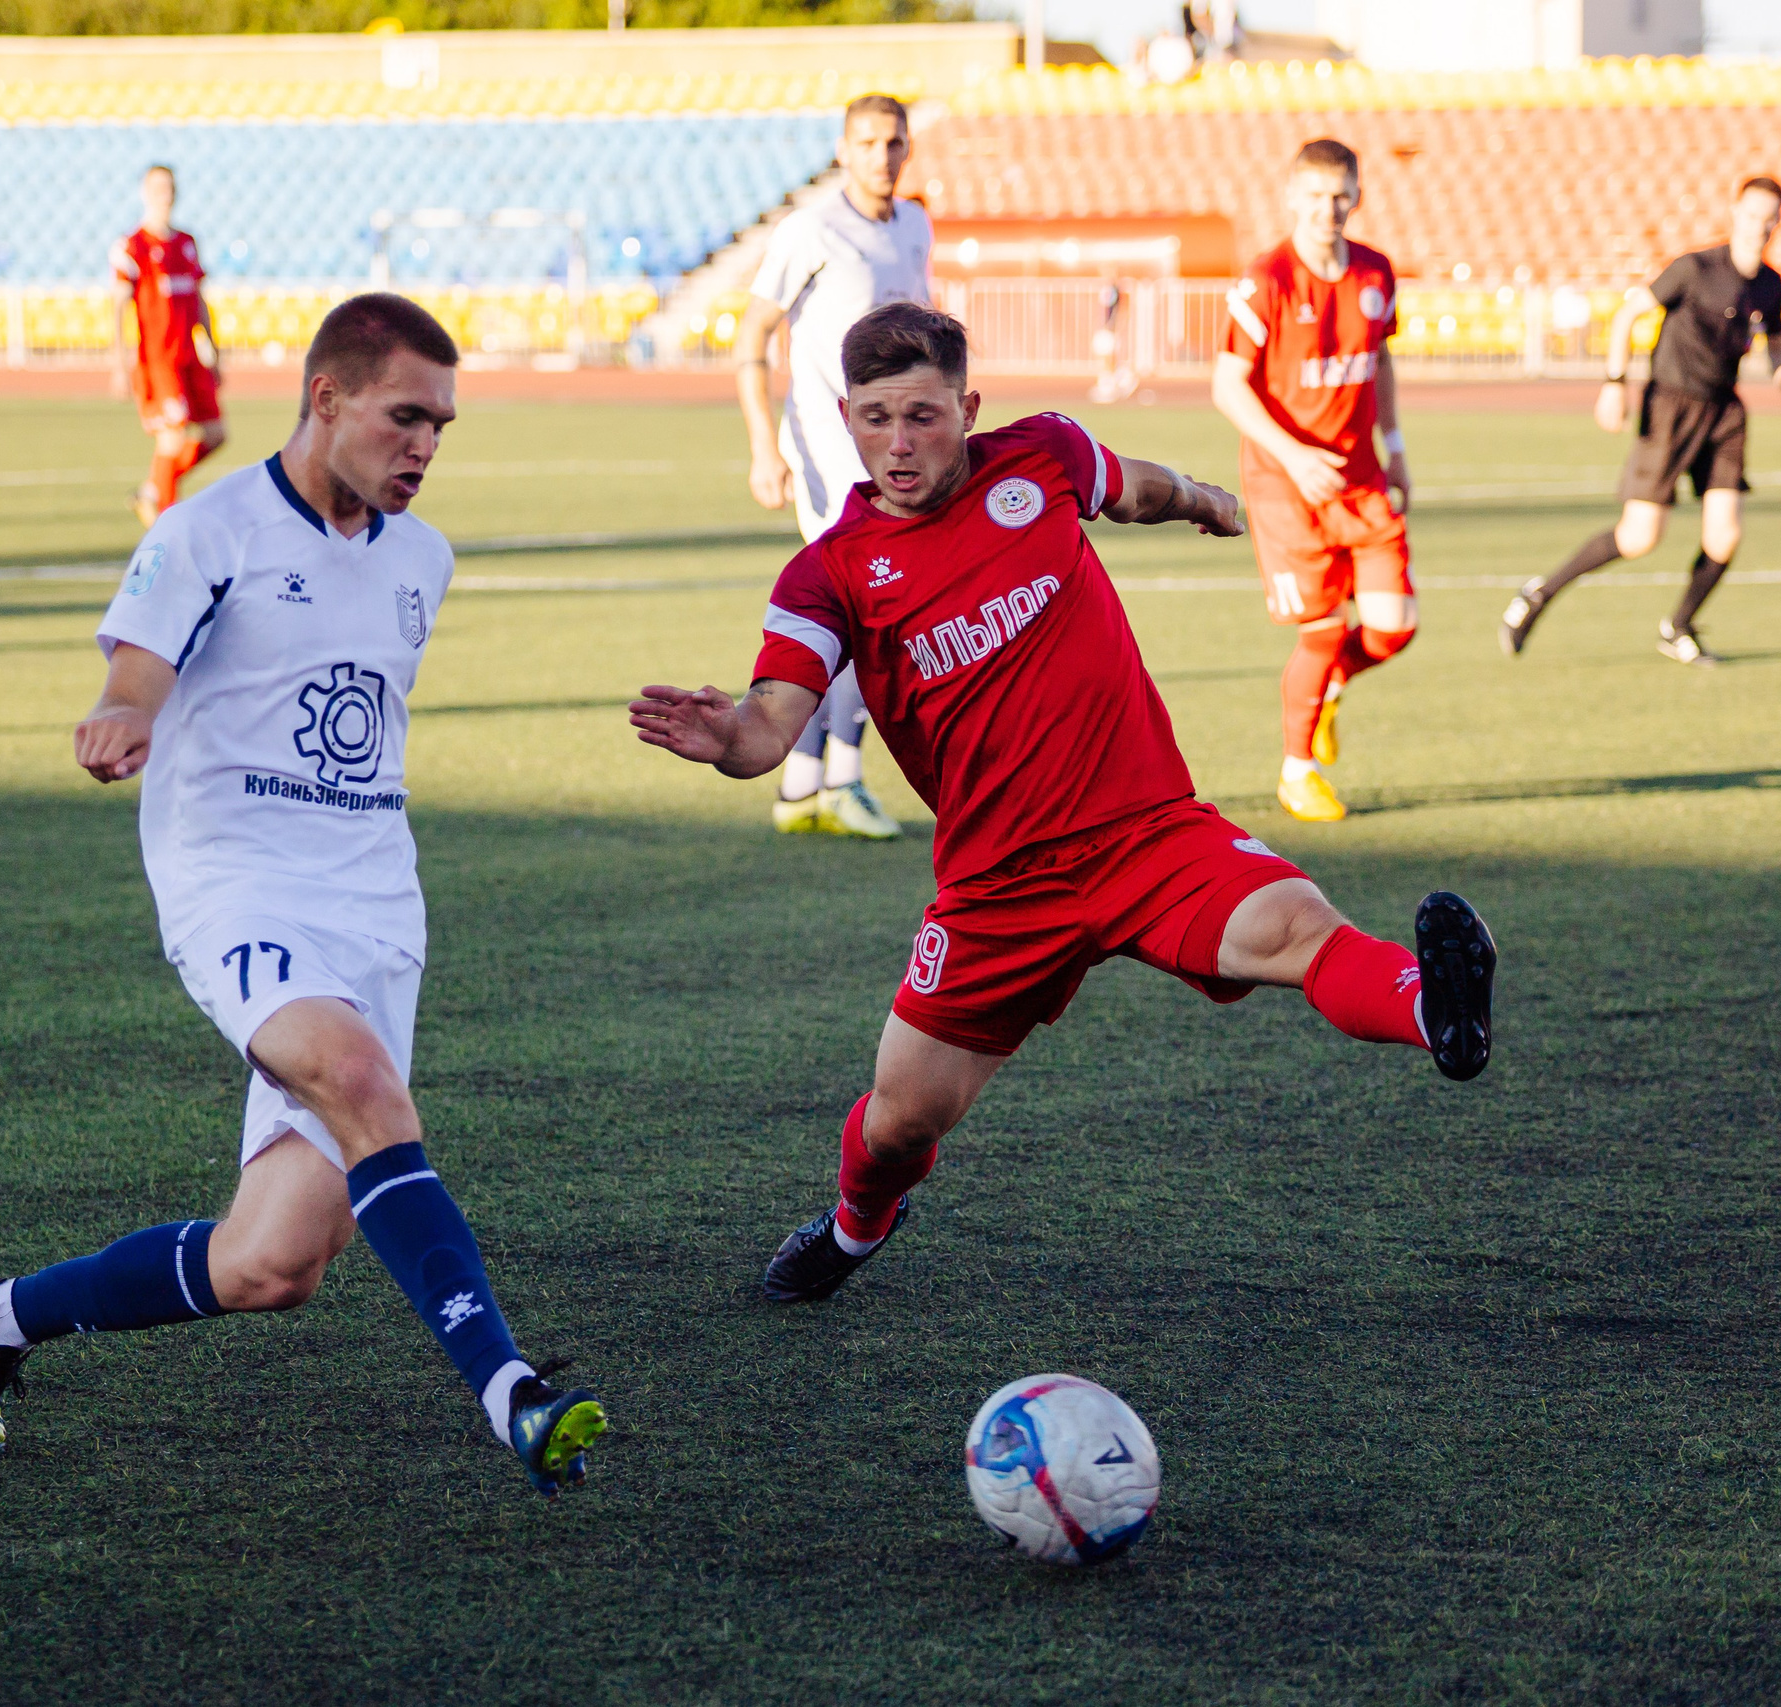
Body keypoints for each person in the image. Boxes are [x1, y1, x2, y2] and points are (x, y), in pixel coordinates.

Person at [631, 303, 1496, 1306]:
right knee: (899, 1124)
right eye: (874, 419)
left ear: (969, 407)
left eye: (922, 415)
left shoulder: (1040, 458)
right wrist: (725, 739)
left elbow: (1137, 488)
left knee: (1295, 925)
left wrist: (1208, 500)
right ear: (844, 416)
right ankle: (856, 1226)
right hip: (996, 891)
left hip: (1144, 832)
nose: (898, 443)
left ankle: (1435, 1012)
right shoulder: (829, 574)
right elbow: (770, 724)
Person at [0, 294, 607, 1498]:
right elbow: (137, 666)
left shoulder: (424, 560)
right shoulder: (211, 531)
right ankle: (511, 1394)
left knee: (271, 1265)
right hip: (232, 885)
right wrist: (126, 714)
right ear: (326, 398)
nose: (425, 446)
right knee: (357, 1083)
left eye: (442, 427)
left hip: (376, 911)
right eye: (406, 416)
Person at [1500, 175, 1781, 666]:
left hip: (1724, 412)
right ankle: (1539, 593)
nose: (1760, 226)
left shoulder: (1770, 284)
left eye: (1770, 218)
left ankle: (1679, 627)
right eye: (1752, 215)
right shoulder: (1694, 268)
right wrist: (1613, 382)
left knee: (1725, 535)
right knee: (1639, 537)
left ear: (1779, 222)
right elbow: (1628, 316)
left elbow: (1775, 339)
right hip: (1670, 405)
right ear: (1736, 213)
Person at [735, 92, 932, 841]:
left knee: (867, 616)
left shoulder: (914, 224)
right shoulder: (810, 229)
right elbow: (752, 334)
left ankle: (802, 784)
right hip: (828, 453)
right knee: (868, 612)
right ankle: (841, 776)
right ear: (843, 150)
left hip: (901, 454)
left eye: (894, 142)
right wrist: (764, 445)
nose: (883, 156)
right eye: (869, 142)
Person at [1212, 138, 1414, 826]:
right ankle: (1297, 771)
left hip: (1360, 479)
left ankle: (1325, 693)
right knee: (1323, 632)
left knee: (1393, 630)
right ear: (1291, 198)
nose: (1328, 209)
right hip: (1285, 485)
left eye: (1340, 195)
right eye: (1315, 196)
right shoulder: (1265, 279)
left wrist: (1395, 447)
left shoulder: (1377, 274)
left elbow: (1378, 362)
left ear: (1356, 197)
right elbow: (1228, 386)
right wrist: (1294, 455)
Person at [112, 164, 229, 529]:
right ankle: (166, 524)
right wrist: (119, 363)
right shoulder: (133, 247)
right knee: (172, 438)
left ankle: (153, 491)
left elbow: (198, 300)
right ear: (144, 192)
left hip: (189, 356)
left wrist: (212, 348)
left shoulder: (186, 243)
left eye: (170, 186)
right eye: (158, 187)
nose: (166, 193)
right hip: (157, 360)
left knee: (216, 435)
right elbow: (118, 305)